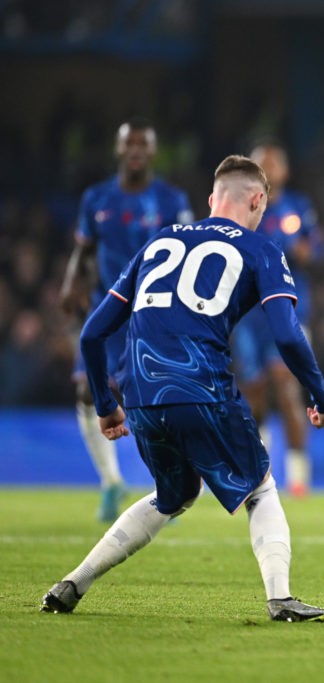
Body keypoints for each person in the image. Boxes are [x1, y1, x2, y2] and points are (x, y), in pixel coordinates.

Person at [41, 155, 324, 623]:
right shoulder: (261, 248)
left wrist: (105, 404)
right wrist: (320, 394)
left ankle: (72, 583)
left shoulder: (159, 241)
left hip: (140, 394)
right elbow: (287, 336)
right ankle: (281, 599)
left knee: (174, 495)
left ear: (211, 199)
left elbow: (92, 333)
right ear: (257, 201)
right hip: (201, 386)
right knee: (260, 488)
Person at [59, 117, 194, 522]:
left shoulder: (170, 200)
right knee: (87, 389)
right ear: (118, 149)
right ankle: (111, 481)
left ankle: (175, 479)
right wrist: (71, 281)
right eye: (128, 143)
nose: (135, 150)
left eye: (142, 144)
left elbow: (190, 253)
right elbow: (84, 249)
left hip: (154, 312)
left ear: (153, 152)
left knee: (159, 395)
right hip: (108, 306)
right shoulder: (97, 198)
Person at [230, 141, 323, 497]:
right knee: (253, 392)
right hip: (248, 314)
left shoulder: (298, 207)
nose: (266, 172)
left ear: (284, 171)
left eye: (272, 165)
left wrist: (300, 248)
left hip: (288, 312)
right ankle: (261, 471)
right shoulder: (240, 209)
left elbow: (315, 252)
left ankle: (299, 478)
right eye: (260, 165)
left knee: (286, 386)